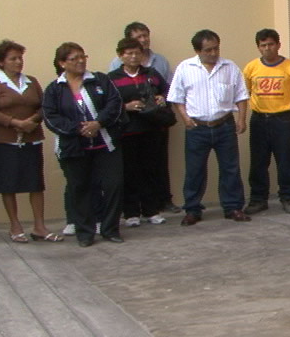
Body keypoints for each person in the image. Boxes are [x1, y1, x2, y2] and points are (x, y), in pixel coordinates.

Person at [43, 42, 125, 247]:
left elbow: (114, 103)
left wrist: (98, 123)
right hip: (74, 148)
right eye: (74, 58)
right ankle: (85, 233)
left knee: (114, 185)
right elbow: (50, 117)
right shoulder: (54, 89)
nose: (80, 61)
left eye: (83, 57)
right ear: (62, 63)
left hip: (105, 145)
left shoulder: (100, 80)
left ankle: (110, 229)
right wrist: (78, 128)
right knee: (80, 189)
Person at [167, 29, 251, 225]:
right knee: (195, 170)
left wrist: (241, 119)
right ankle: (192, 209)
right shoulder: (185, 68)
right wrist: (185, 118)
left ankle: (233, 207)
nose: (214, 53)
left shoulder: (230, 67)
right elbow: (177, 98)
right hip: (197, 127)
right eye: (208, 50)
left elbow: (241, 95)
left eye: (216, 49)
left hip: (225, 125)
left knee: (230, 168)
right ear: (198, 51)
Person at [108, 21, 179, 214]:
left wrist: (162, 98)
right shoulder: (113, 75)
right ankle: (131, 211)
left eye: (145, 36)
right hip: (128, 129)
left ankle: (154, 207)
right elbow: (108, 102)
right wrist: (126, 107)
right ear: (121, 55)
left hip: (153, 126)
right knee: (130, 169)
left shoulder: (155, 68)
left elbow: (169, 90)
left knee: (154, 167)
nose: (133, 56)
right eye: (129, 53)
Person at [0, 40, 62, 243]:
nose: (18, 62)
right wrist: (14, 122)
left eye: (20, 58)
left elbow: (44, 106)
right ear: (1, 62)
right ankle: (15, 226)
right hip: (5, 141)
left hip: (32, 139)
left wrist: (32, 121)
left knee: (35, 183)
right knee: (9, 184)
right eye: (13, 59)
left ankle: (39, 227)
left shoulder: (31, 81)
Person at [243, 29, 290, 215]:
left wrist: (286, 98)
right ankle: (258, 199)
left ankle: (289, 197)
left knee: (285, 160)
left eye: (271, 44)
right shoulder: (251, 68)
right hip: (259, 119)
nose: (267, 48)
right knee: (258, 162)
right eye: (263, 45)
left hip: (283, 119)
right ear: (258, 47)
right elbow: (246, 91)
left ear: (278, 45)